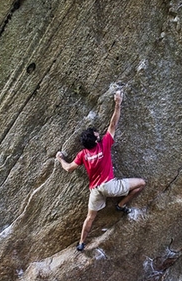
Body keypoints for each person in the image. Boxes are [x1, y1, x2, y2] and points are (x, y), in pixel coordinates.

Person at [56, 91, 145, 251]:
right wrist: (118, 103)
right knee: (141, 184)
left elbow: (69, 168)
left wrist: (60, 158)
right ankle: (121, 205)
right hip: (110, 186)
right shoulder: (104, 144)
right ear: (96, 139)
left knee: (90, 217)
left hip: (95, 191)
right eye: (97, 133)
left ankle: (81, 244)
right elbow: (113, 124)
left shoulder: (83, 154)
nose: (99, 133)